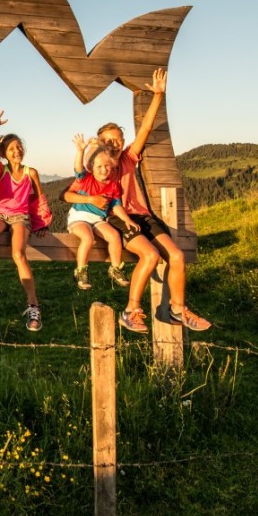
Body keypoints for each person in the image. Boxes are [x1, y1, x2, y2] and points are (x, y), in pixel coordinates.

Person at [89, 68, 212, 333]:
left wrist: (158, 95)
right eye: (107, 140)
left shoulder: (128, 158)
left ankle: (177, 309)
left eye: (117, 139)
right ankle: (131, 310)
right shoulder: (98, 167)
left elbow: (145, 128)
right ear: (99, 143)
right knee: (150, 255)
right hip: (118, 218)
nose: (113, 143)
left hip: (144, 216)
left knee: (176, 255)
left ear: (122, 142)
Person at [0, 108, 52, 331]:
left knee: (18, 254)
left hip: (21, 217)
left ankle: (34, 306)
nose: (16, 151)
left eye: (18, 147)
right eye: (11, 148)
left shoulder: (30, 173)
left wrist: (41, 223)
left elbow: (38, 199)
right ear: (4, 153)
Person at [63, 134, 138, 291]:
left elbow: (116, 205)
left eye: (107, 166)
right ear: (91, 167)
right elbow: (78, 168)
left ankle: (116, 268)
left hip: (98, 219)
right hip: (79, 217)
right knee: (87, 237)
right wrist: (80, 151)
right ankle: (81, 271)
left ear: (111, 165)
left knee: (114, 236)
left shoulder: (113, 186)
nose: (103, 170)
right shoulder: (86, 179)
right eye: (99, 167)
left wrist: (127, 220)